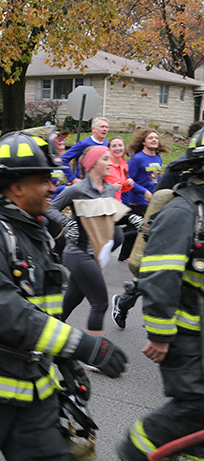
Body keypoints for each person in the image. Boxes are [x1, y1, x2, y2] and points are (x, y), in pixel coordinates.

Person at [0, 130, 128, 461]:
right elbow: (8, 312)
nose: (52, 188)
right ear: (16, 187)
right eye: (43, 180)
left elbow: (43, 313)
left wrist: (68, 364)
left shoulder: (33, 233)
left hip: (33, 391)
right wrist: (84, 345)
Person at [117, 127, 204, 461]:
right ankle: (137, 450)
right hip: (185, 338)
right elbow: (158, 278)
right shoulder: (183, 213)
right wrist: (161, 335)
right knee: (196, 406)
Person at [48, 146, 140, 338]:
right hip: (78, 253)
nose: (110, 163)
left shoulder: (107, 189)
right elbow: (51, 208)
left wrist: (131, 219)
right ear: (92, 164)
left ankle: (43, 338)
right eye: (106, 159)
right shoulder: (76, 189)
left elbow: (109, 213)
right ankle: (95, 355)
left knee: (68, 304)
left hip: (96, 254)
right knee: (100, 303)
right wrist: (68, 223)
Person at [119, 129, 167, 261]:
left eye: (156, 138)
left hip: (153, 200)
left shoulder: (158, 157)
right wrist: (143, 191)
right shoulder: (138, 159)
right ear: (143, 142)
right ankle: (115, 238)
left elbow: (155, 178)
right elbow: (128, 180)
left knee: (137, 228)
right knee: (138, 228)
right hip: (138, 200)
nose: (154, 140)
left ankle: (124, 255)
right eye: (150, 138)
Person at [61, 116, 109, 183]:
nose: (105, 129)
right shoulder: (83, 144)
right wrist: (73, 179)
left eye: (106, 127)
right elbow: (63, 159)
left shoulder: (107, 144)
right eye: (102, 127)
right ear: (93, 129)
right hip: (84, 183)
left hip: (101, 184)